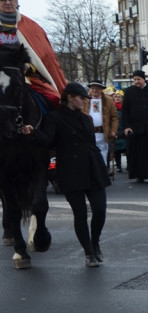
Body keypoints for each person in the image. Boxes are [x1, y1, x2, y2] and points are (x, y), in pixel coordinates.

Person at [21, 83, 110, 267]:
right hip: (70, 169)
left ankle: (95, 243)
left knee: (100, 210)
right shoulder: (54, 118)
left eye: (86, 98)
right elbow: (48, 140)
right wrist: (33, 133)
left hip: (93, 168)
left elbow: (91, 143)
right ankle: (88, 252)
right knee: (80, 214)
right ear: (69, 97)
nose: (85, 101)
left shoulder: (86, 119)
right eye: (81, 98)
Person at [0, 0, 68, 109]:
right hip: (2, 77)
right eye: (3, 0)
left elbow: (45, 57)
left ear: (16, 2)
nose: (8, 3)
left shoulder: (32, 27)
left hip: (29, 79)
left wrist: (29, 68)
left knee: (53, 99)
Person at [87, 81, 118, 174]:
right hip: (88, 133)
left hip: (102, 132)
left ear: (101, 90)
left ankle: (101, 174)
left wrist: (113, 130)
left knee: (102, 154)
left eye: (97, 88)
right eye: (92, 88)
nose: (94, 90)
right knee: (89, 154)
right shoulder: (85, 99)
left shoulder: (108, 100)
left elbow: (114, 117)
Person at [111, 90, 127, 173]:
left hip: (124, 130)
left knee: (126, 148)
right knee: (116, 150)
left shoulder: (125, 108)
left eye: (119, 97)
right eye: (116, 96)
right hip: (115, 130)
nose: (117, 98)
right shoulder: (111, 107)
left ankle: (129, 164)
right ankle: (118, 165)